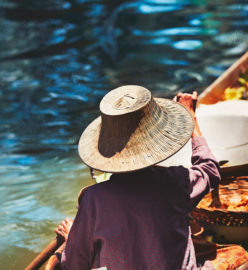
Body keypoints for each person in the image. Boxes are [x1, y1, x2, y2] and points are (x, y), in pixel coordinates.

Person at [55, 85, 221, 269]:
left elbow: (74, 264)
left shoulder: (94, 199)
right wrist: (191, 117)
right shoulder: (175, 182)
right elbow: (210, 169)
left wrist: (72, 238)